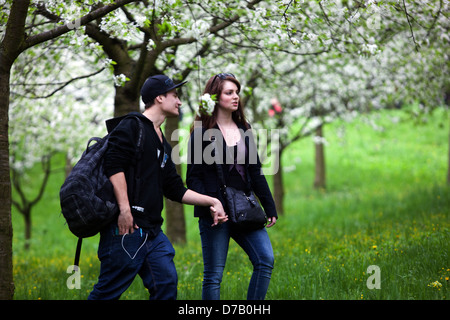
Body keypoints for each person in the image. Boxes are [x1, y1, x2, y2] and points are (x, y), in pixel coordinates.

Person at [88, 75, 226, 300]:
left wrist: (212, 201)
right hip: (127, 229)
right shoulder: (131, 126)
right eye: (175, 96)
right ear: (159, 98)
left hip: (152, 232)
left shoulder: (162, 141)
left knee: (166, 284)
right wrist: (124, 210)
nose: (179, 102)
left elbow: (174, 189)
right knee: (107, 293)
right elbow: (114, 165)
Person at [186, 73, 278, 300]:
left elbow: (255, 171)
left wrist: (269, 206)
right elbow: (193, 178)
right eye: (229, 92)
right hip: (217, 214)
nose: (236, 96)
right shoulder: (201, 133)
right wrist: (211, 205)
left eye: (236, 92)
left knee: (265, 260)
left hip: (245, 207)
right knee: (214, 275)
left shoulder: (245, 128)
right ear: (215, 98)